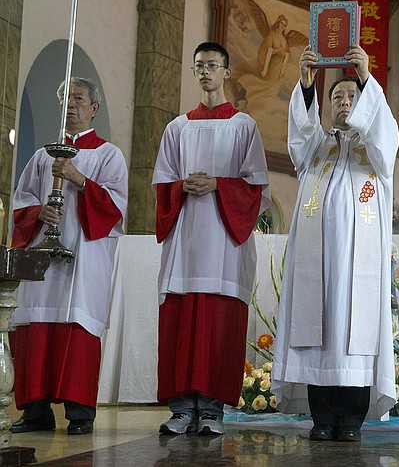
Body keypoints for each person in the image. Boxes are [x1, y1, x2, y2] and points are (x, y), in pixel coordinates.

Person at [271, 44, 399, 443]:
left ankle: (351, 421)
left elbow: (383, 130)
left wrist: (364, 77)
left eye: (351, 97)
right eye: (337, 97)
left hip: (358, 266)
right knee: (318, 336)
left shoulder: (375, 151)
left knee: (354, 335)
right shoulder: (318, 148)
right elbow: (300, 137)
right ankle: (322, 418)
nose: (344, 103)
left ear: (363, 104)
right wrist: (308, 84)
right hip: (317, 264)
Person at [153, 42, 270, 435]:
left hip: (224, 243)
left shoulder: (244, 126)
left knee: (218, 323)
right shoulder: (177, 127)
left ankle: (213, 409)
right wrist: (180, 186)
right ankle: (182, 407)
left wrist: (219, 185)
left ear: (227, 71)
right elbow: (161, 183)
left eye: (212, 65)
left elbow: (257, 188)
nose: (205, 71)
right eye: (199, 66)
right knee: (182, 320)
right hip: (185, 240)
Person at [10, 77, 128, 435]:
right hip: (41, 258)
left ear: (94, 108)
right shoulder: (40, 156)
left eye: (78, 98)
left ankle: (80, 413)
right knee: (36, 326)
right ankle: (35, 411)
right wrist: (38, 213)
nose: (71, 105)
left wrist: (78, 178)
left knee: (77, 328)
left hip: (85, 257)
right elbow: (21, 202)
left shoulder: (109, 155)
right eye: (65, 99)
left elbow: (115, 209)